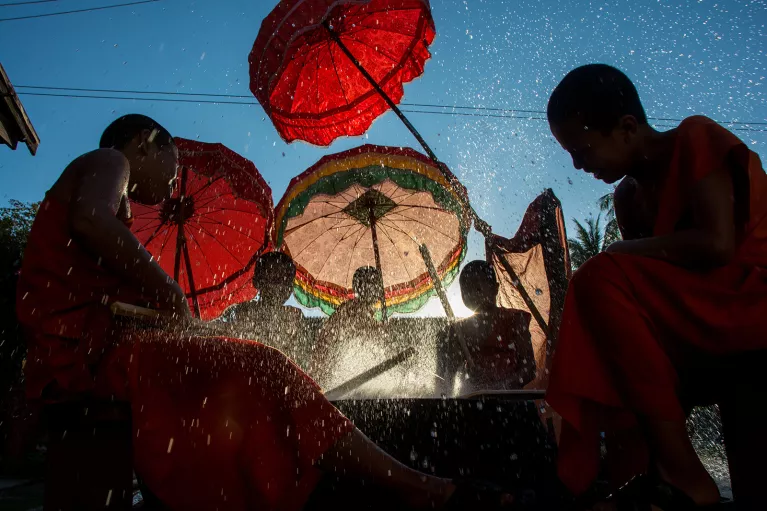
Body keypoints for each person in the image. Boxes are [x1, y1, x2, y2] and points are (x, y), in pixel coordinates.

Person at [15, 115, 512, 510]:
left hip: (98, 358)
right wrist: (166, 290)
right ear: (146, 142)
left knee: (256, 373)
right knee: (266, 366)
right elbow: (87, 219)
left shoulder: (112, 195)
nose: (171, 184)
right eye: (171, 164)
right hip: (92, 364)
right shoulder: (108, 160)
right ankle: (415, 487)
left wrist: (162, 312)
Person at [544, 64, 767, 509]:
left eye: (582, 147)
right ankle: (650, 477)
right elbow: (644, 305)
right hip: (696, 323)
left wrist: (617, 257)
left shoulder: (695, 138)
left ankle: (685, 476)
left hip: (749, 306)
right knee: (617, 379)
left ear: (627, 128)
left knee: (598, 276)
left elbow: (718, 244)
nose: (577, 164)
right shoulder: (628, 198)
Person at [437, 261, 535, 395]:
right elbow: (449, 375)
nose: (471, 294)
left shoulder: (515, 320)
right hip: (474, 397)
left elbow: (529, 369)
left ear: (495, 289)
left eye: (477, 288)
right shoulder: (459, 330)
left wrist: (499, 388)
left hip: (511, 400)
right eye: (465, 290)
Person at [225, 251, 307, 365]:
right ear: (257, 282)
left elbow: (299, 356)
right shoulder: (245, 311)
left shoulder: (294, 314)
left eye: (287, 280)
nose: (280, 286)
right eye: (275, 279)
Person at [311, 266, 387, 388]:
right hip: (337, 380)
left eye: (377, 285)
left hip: (335, 377)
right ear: (361, 288)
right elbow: (363, 338)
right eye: (374, 285)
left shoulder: (350, 309)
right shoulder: (353, 310)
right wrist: (382, 331)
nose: (378, 290)